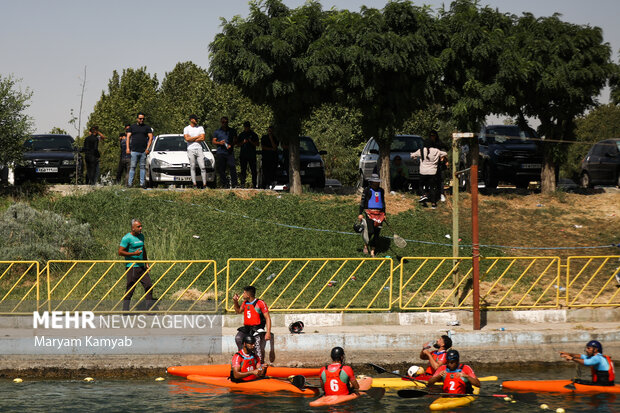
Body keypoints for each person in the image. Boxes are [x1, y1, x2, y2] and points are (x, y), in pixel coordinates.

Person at [118, 219, 156, 311]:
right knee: (130, 290)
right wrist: (133, 254)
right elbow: (120, 252)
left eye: (141, 226)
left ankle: (149, 309)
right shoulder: (127, 238)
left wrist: (146, 262)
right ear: (133, 228)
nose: (141, 228)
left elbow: (143, 249)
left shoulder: (141, 236)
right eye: (138, 226)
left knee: (149, 286)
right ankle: (125, 311)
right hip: (132, 267)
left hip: (142, 266)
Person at [233, 285, 272, 364]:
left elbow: (267, 318)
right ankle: (243, 359)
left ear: (248, 295)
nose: (242, 295)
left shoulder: (260, 303)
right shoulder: (245, 303)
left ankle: (259, 362)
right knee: (238, 338)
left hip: (257, 328)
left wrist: (268, 332)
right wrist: (235, 302)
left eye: (244, 293)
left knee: (256, 344)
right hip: (247, 328)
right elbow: (238, 311)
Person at [410, 140, 448, 209]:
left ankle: (424, 195)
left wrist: (414, 158)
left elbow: (413, 155)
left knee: (421, 185)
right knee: (432, 187)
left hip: (423, 171)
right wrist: (440, 157)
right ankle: (433, 204)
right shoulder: (436, 151)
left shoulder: (421, 150)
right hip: (432, 172)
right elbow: (445, 153)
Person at [358, 173, 386, 257]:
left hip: (380, 213)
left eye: (378, 181)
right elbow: (362, 202)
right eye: (375, 181)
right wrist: (360, 213)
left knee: (377, 232)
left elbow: (383, 202)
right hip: (369, 213)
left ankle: (373, 251)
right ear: (372, 182)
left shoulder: (381, 190)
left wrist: (384, 213)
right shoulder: (367, 190)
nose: (377, 183)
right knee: (370, 231)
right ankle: (366, 245)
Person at [126, 113, 154, 188]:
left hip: (143, 151)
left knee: (142, 167)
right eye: (140, 118)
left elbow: (151, 138)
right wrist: (128, 148)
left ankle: (142, 184)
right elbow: (128, 137)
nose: (142, 120)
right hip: (134, 151)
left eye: (143, 119)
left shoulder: (147, 127)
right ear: (137, 119)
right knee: (132, 167)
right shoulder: (132, 127)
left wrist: (148, 149)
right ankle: (130, 183)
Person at [212, 116, 238, 188]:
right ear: (221, 122)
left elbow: (236, 140)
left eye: (226, 122)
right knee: (221, 169)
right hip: (221, 152)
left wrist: (231, 144)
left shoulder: (232, 131)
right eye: (223, 122)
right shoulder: (217, 131)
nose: (224, 124)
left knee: (232, 167)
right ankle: (224, 184)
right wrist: (220, 143)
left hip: (229, 152)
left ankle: (234, 184)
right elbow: (213, 141)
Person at [183, 114, 207, 189]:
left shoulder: (200, 128)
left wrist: (191, 138)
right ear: (191, 120)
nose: (196, 120)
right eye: (195, 119)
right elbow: (187, 139)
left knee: (202, 167)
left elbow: (203, 138)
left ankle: (204, 184)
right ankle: (194, 184)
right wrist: (197, 137)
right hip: (190, 149)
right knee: (192, 166)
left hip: (199, 148)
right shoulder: (186, 128)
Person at [426, 130, 448, 202]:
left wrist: (444, 158)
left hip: (438, 164)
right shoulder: (427, 143)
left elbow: (446, 148)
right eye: (431, 136)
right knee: (429, 180)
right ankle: (428, 193)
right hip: (429, 164)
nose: (432, 137)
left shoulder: (439, 143)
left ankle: (441, 194)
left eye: (434, 135)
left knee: (440, 179)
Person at [238, 121, 260, 188]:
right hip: (243, 155)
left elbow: (257, 144)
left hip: (251, 155)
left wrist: (251, 141)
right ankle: (242, 184)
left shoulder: (253, 134)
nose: (246, 128)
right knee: (243, 170)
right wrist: (243, 142)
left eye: (247, 126)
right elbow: (237, 144)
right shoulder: (241, 135)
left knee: (253, 170)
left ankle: (254, 184)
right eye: (245, 126)